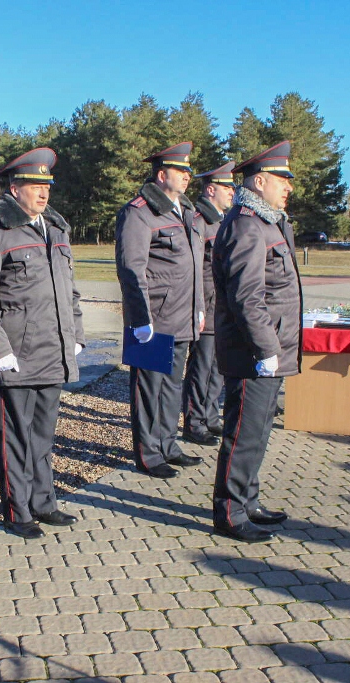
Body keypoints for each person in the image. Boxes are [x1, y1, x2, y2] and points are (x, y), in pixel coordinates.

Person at [0, 148, 85, 540]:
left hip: (54, 350)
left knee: (43, 434)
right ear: (14, 187)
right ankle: (18, 510)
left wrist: (77, 336)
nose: (43, 193)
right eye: (35, 185)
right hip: (17, 353)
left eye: (47, 185)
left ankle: (44, 501)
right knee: (17, 436)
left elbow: (69, 291)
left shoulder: (55, 228)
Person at [211, 141, 302, 543]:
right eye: (282, 179)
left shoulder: (270, 222)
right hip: (253, 351)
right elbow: (246, 297)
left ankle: (248, 500)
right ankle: (229, 512)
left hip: (270, 348)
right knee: (243, 433)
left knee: (259, 430)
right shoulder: (248, 225)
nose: (289, 187)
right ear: (259, 181)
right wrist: (266, 348)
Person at [115, 142, 205, 480]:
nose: (187, 177)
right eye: (181, 171)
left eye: (188, 171)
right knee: (149, 389)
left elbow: (194, 266)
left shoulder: (186, 211)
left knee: (172, 386)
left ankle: (168, 443)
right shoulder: (140, 212)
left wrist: (199, 309)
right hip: (153, 319)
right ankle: (148, 453)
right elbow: (130, 268)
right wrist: (140, 318)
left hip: (182, 315)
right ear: (162, 174)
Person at [181, 162, 236, 446]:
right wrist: (198, 307)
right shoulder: (199, 220)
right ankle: (194, 422)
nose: (232, 192)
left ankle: (210, 416)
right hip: (207, 305)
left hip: (222, 306)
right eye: (227, 187)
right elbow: (193, 268)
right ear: (211, 189)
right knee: (201, 368)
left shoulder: (222, 220)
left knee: (217, 367)